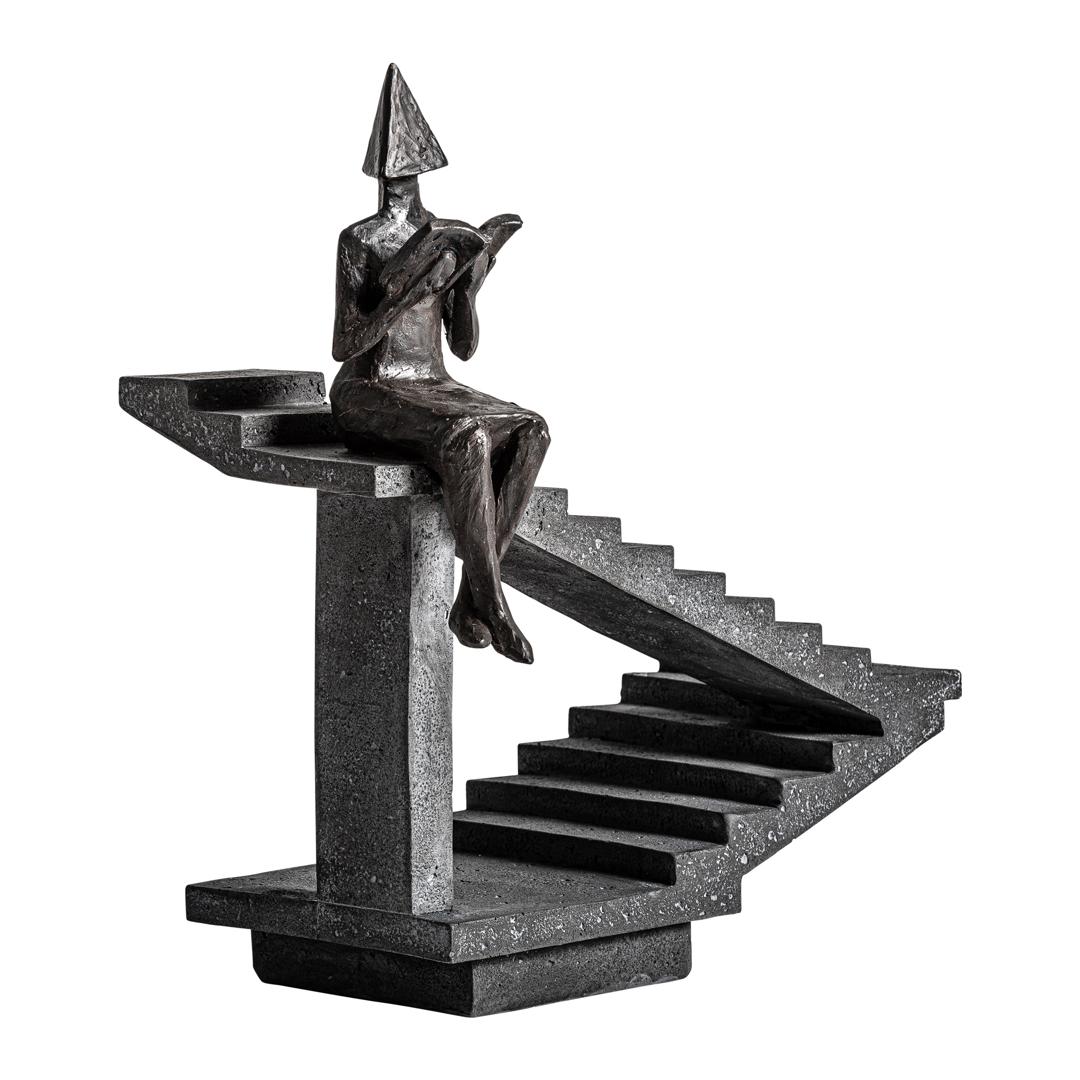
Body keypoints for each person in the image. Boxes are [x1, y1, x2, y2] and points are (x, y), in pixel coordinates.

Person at [331, 64, 549, 664]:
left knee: (532, 430)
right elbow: (345, 345)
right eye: (394, 172)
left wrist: (467, 290)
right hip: (368, 390)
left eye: (409, 171)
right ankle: (493, 604)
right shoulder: (360, 241)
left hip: (430, 383)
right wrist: (400, 294)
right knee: (467, 438)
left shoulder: (441, 236)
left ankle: (470, 601)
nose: (401, 182)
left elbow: (464, 348)